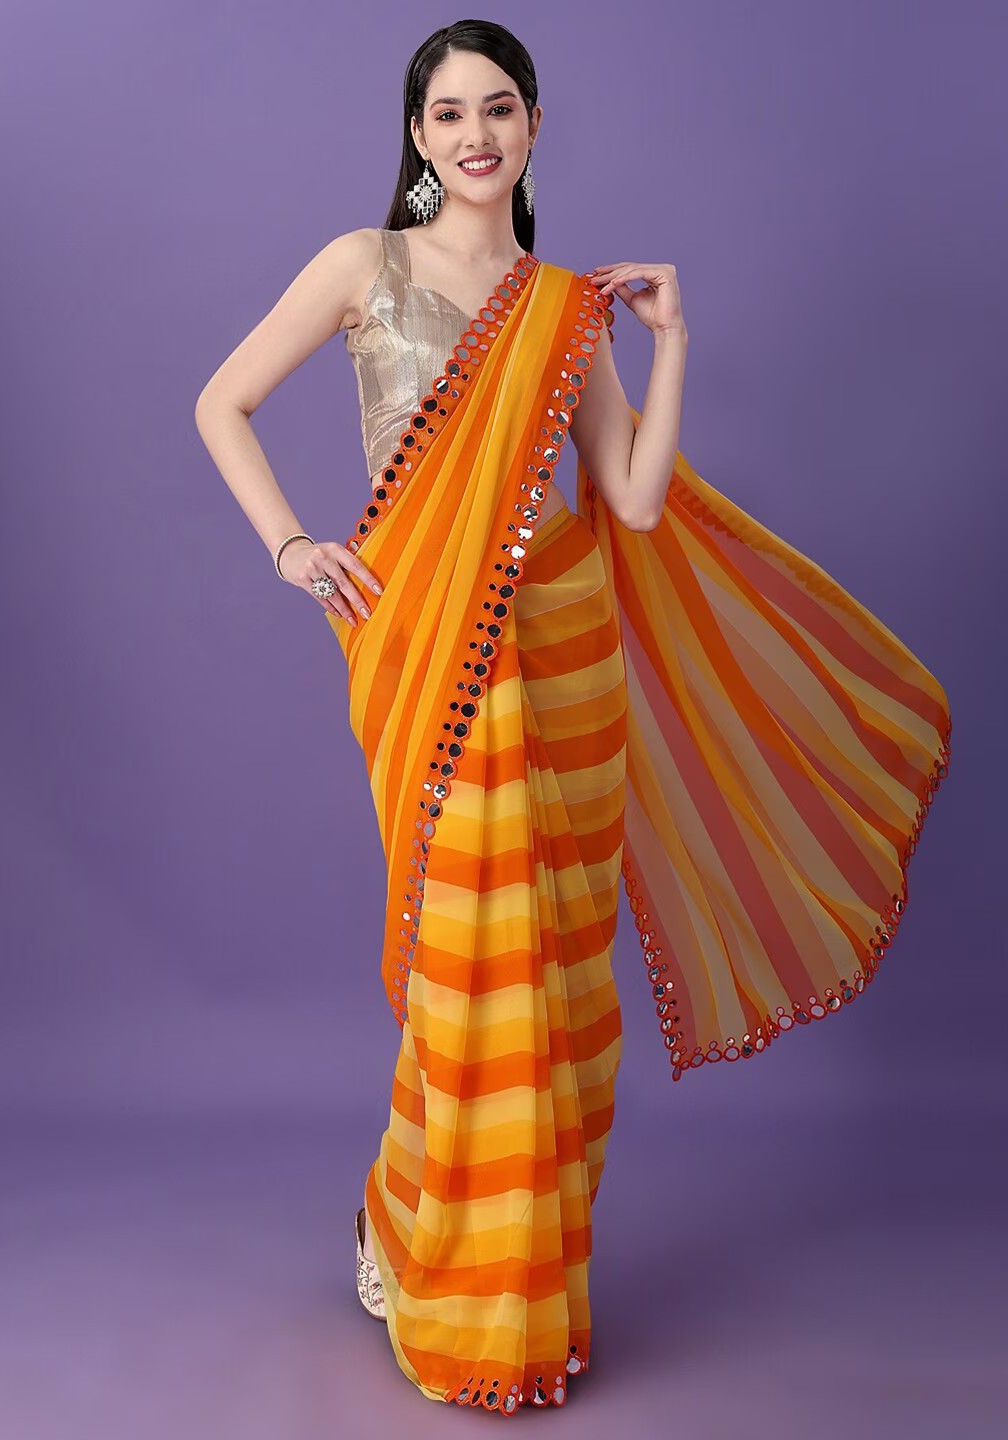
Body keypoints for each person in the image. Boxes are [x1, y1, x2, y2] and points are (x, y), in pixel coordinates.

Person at [193, 19, 951, 1419]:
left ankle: (503, 1268)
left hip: (568, 649)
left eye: (498, 108)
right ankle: (432, 1263)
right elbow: (220, 402)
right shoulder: (364, 267)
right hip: (434, 649)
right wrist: (293, 546)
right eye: (447, 113)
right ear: (417, 138)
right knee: (473, 970)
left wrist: (673, 343)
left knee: (559, 983)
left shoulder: (564, 309)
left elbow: (638, 501)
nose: (474, 134)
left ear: (534, 126)